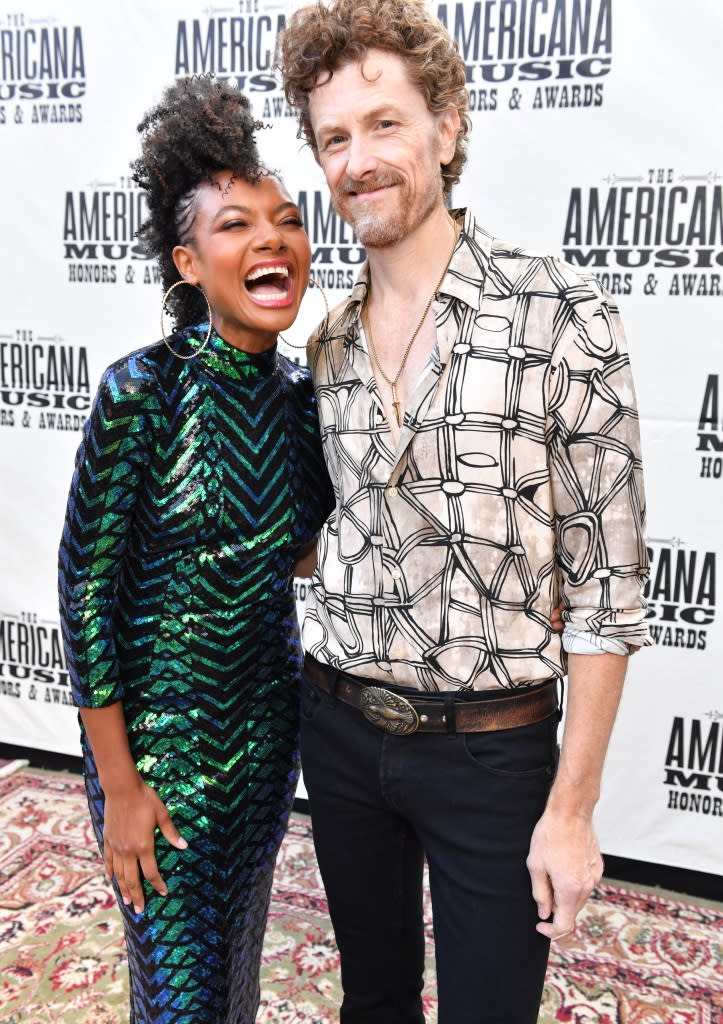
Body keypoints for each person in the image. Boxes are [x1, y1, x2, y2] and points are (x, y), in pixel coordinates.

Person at [279, 3, 651, 1022]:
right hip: (342, 734)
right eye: (335, 138)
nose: (359, 159)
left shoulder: (562, 315)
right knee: (375, 1002)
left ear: (448, 125)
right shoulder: (326, 344)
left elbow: (612, 596)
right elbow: (329, 528)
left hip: (494, 752)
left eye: (385, 123)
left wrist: (570, 811)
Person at [57, 75, 333, 1024]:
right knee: (175, 992)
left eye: (286, 221)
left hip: (264, 728)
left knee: (235, 975)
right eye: (234, 226)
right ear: (186, 262)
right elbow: (84, 589)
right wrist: (120, 781)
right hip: (156, 748)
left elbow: (296, 549)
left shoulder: (303, 399)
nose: (270, 239)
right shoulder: (142, 393)